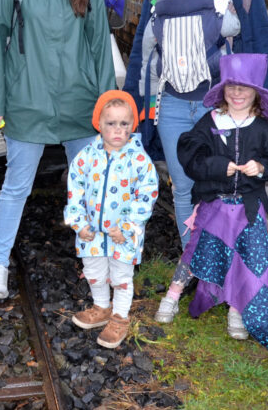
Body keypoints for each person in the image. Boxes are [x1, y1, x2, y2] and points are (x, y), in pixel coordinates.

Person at [124, 0, 268, 256]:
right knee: (181, 185)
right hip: (174, 103)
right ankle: (193, 262)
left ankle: (222, 260)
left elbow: (259, 41)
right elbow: (145, 39)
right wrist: (132, 99)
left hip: (220, 104)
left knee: (218, 184)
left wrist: (267, 107)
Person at [0, 0, 116, 300]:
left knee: (89, 188)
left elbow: (100, 46)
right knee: (16, 186)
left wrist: (110, 107)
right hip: (28, 102)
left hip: (81, 102)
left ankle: (96, 267)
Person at [170, 53, 268, 350]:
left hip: (249, 208)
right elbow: (189, 152)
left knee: (249, 257)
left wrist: (261, 167)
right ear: (223, 91)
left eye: (245, 88)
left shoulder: (262, 128)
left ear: (256, 94)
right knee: (197, 249)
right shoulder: (210, 121)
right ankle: (173, 294)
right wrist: (215, 166)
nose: (237, 94)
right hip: (214, 203)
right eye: (231, 88)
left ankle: (238, 309)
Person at [64, 90, 158, 349]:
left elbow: (147, 195)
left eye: (124, 124)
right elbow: (75, 192)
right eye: (111, 124)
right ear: (99, 124)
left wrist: (127, 228)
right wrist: (79, 223)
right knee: (94, 271)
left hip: (122, 233)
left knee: (121, 275)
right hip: (91, 232)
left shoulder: (140, 161)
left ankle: (119, 317)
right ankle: (102, 307)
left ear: (132, 125)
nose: (117, 130)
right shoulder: (86, 157)